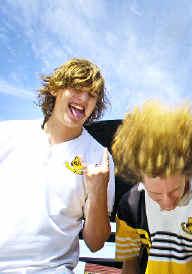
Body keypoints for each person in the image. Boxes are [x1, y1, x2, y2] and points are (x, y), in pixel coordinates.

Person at [0, 58, 115, 273]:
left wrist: (98, 191)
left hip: (51, 269)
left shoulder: (98, 157)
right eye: (77, 88)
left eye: (92, 94)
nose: (83, 98)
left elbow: (96, 243)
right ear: (54, 88)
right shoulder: (6, 134)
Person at [112, 101, 192, 274]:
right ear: (139, 176)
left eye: (175, 191)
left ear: (188, 171)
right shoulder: (129, 206)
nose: (167, 204)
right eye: (156, 194)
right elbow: (129, 266)